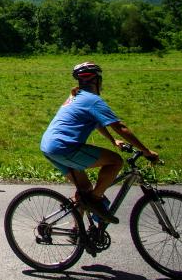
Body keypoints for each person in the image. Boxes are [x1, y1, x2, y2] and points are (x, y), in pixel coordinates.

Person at [40, 62, 158, 224]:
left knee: (85, 189)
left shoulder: (75, 97)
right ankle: (95, 201)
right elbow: (120, 127)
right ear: (97, 81)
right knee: (115, 161)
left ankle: (76, 231)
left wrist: (113, 140)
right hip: (64, 147)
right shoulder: (92, 100)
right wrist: (146, 151)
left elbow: (96, 122)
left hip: (49, 147)